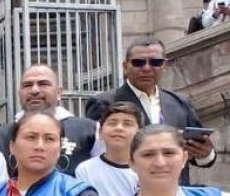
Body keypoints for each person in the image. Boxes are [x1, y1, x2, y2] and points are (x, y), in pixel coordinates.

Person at [85, 37, 217, 184]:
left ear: (164, 65)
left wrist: (206, 154)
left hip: (175, 193)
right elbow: (95, 151)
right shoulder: (105, 102)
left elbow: (200, 156)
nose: (147, 68)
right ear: (125, 66)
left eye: (155, 62)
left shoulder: (180, 102)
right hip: (124, 190)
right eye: (138, 62)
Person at [0, 65, 98, 177]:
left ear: (59, 92)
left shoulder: (91, 131)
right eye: (27, 85)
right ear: (19, 93)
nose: (34, 90)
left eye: (43, 84)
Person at [76, 102, 142, 196]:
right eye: (112, 123)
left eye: (127, 124)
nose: (119, 128)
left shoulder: (146, 168)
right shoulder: (86, 169)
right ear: (100, 133)